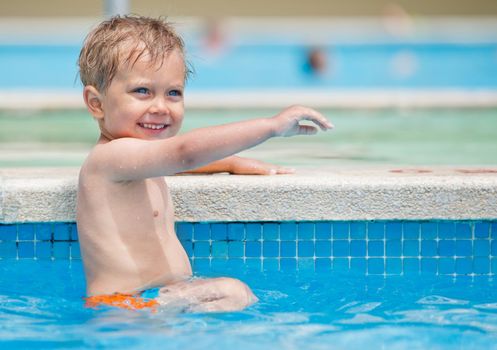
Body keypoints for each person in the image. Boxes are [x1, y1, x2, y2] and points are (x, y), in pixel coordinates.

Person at [76, 15, 333, 313]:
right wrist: (270, 126)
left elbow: (175, 162)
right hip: (122, 310)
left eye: (173, 93)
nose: (160, 106)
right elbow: (184, 153)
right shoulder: (107, 158)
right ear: (96, 103)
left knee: (233, 294)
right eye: (142, 91)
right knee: (232, 292)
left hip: (149, 304)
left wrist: (233, 163)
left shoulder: (136, 162)